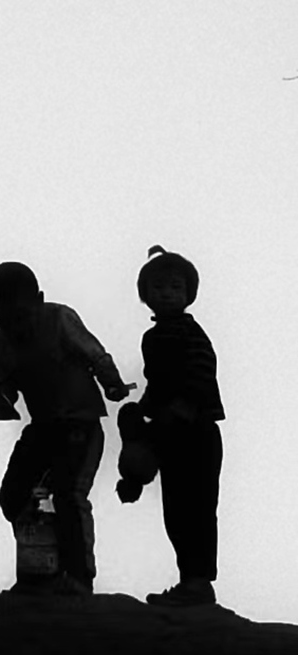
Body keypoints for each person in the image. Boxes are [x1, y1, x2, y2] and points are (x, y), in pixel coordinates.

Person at [0, 261, 133, 595]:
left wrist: (112, 383)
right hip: (42, 428)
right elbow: (7, 388)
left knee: (69, 493)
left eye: (21, 315)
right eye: (3, 317)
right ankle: (39, 572)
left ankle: (79, 577)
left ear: (39, 300)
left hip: (80, 423)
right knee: (14, 496)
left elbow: (95, 354)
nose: (15, 326)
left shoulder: (59, 319)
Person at [132, 245, 224, 606]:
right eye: (158, 287)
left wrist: (179, 411)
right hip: (171, 431)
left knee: (197, 508)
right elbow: (157, 385)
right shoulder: (153, 338)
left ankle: (199, 582)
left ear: (188, 293)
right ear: (145, 294)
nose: (167, 294)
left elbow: (201, 375)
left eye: (175, 287)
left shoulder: (190, 333)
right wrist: (142, 413)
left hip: (196, 430)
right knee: (176, 509)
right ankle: (189, 581)